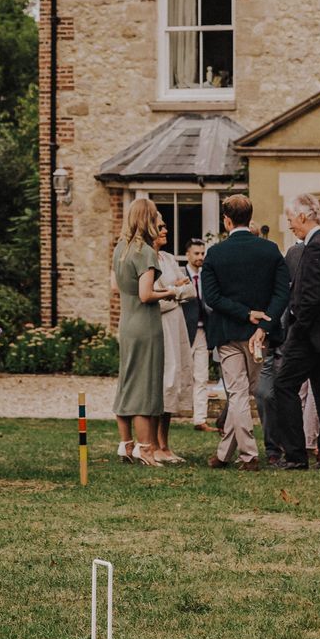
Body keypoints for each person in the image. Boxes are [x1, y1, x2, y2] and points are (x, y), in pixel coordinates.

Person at [200, 195, 289, 471]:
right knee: (241, 393)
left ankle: (248, 456)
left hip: (229, 332)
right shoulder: (270, 250)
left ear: (226, 221)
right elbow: (282, 291)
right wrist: (262, 324)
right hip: (258, 336)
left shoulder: (215, 253)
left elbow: (211, 297)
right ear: (249, 217)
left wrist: (245, 314)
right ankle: (225, 454)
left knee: (237, 393)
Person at [270, 192, 320, 471]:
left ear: (303, 217)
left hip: (310, 334)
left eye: (291, 219)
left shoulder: (317, 246)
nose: (290, 224)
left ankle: (294, 455)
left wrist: (297, 327)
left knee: (283, 385)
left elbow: (311, 295)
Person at [111, 198, 173, 466]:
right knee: (146, 387)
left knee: (127, 383)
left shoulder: (120, 249)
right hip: (145, 324)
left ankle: (125, 444)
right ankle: (146, 447)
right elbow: (146, 294)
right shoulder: (145, 252)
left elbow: (116, 287)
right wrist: (172, 291)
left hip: (126, 322)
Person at [154, 221, 194, 462]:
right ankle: (153, 445)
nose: (165, 230)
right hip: (160, 327)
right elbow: (152, 300)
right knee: (162, 380)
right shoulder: (145, 259)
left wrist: (170, 291)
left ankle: (165, 444)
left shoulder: (168, 258)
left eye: (166, 226)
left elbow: (191, 291)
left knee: (174, 380)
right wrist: (174, 291)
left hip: (176, 324)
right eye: (160, 226)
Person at [181, 238, 212, 430]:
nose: (200, 257)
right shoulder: (179, 274)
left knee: (202, 376)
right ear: (188, 255)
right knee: (181, 374)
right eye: (197, 253)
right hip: (183, 331)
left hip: (203, 331)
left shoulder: (206, 276)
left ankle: (200, 419)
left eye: (202, 253)